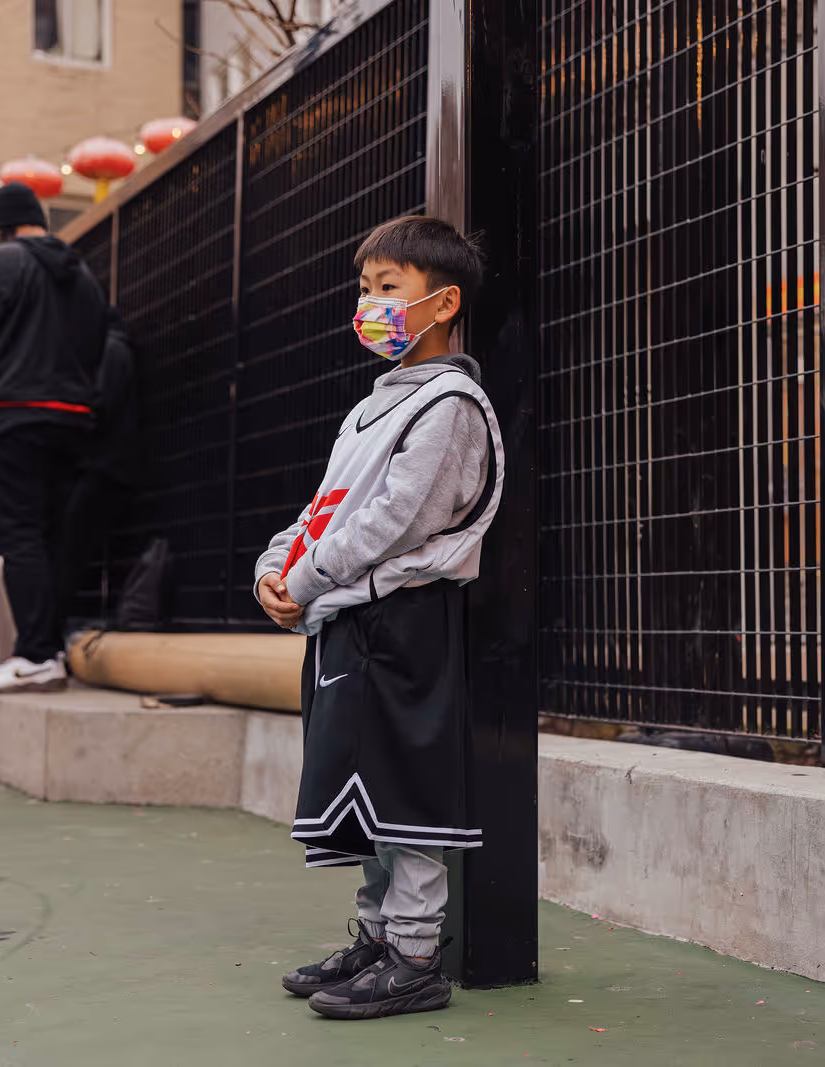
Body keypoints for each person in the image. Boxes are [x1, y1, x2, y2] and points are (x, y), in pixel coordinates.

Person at [254, 215, 502, 1020]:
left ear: (443, 301)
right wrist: (273, 568)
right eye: (365, 289)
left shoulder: (452, 402)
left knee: (405, 789)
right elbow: (325, 508)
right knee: (366, 793)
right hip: (348, 616)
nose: (370, 304)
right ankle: (377, 936)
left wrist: (305, 579)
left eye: (388, 287)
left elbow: (398, 518)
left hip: (404, 618)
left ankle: (415, 956)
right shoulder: (373, 406)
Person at [0, 182, 106, 693]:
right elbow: (96, 343)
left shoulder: (4, 260)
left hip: (7, 417)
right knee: (51, 537)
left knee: (18, 537)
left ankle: (36, 654)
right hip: (72, 418)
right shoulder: (80, 275)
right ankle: (48, 648)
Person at [58, 308, 138, 629]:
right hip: (105, 466)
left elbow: (99, 404)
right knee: (72, 552)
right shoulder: (110, 348)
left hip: (102, 466)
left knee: (69, 552)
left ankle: (54, 632)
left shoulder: (110, 349)